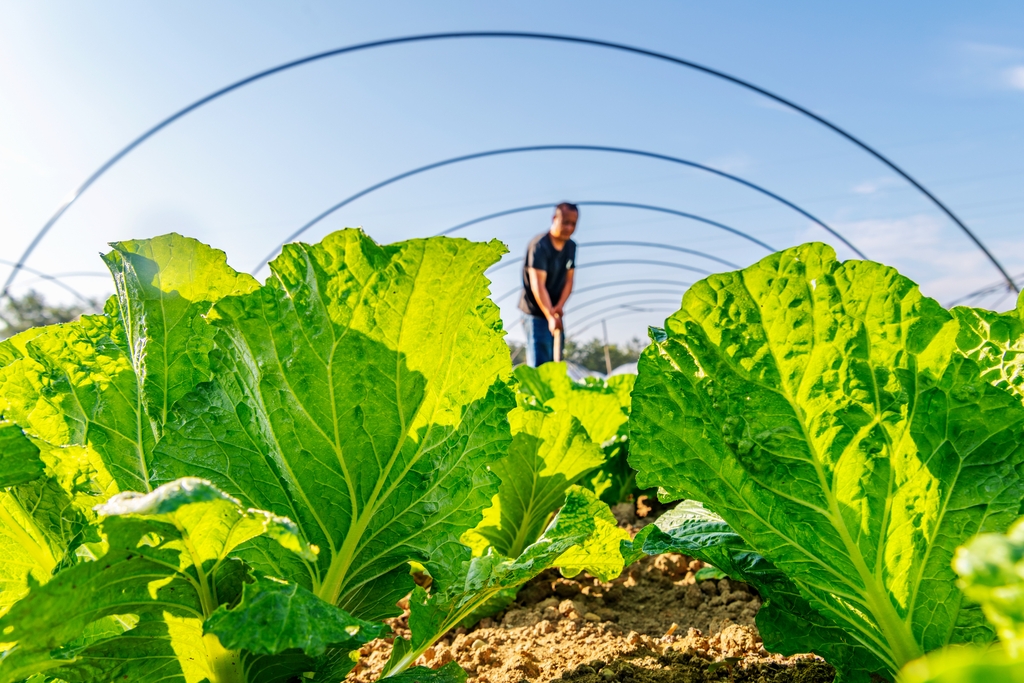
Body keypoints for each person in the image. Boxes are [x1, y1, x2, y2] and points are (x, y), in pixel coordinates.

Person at [519, 202, 578, 366]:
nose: (569, 227)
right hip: (535, 312)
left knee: (556, 358)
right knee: (541, 362)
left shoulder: (571, 247)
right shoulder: (540, 245)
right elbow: (537, 285)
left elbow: (569, 280)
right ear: (554, 218)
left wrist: (559, 306)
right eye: (565, 222)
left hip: (554, 311)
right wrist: (550, 315)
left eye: (573, 224)